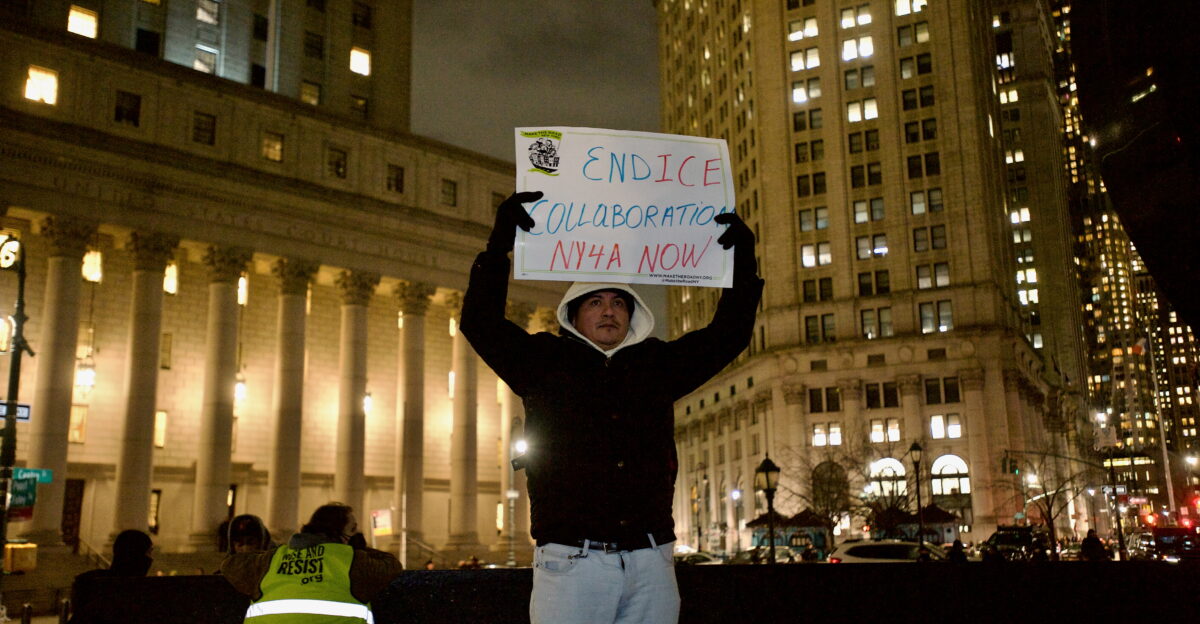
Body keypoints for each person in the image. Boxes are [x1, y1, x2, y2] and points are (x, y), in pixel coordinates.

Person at [461, 191, 763, 624]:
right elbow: (479, 322)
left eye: (619, 302)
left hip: (651, 562)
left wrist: (742, 264)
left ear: (632, 314)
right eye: (596, 302)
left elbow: (728, 335)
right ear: (574, 314)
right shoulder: (543, 361)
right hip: (570, 564)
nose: (609, 311)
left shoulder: (656, 365)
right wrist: (498, 247)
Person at [220, 502, 403, 623]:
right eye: (353, 529)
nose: (356, 533)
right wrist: (359, 547)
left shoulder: (272, 559)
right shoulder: (352, 561)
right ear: (339, 533)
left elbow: (229, 565)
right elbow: (392, 565)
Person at [70, 529, 154, 622]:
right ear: (137, 554)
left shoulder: (88, 582)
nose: (151, 558)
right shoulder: (143, 591)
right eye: (149, 552)